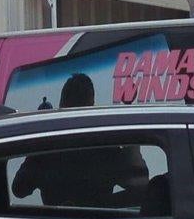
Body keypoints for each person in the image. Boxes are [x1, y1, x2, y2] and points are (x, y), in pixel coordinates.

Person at [11, 74, 148, 209]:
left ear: (61, 105)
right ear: (91, 105)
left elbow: (19, 189)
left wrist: (39, 141)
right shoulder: (104, 149)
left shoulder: (47, 150)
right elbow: (138, 184)